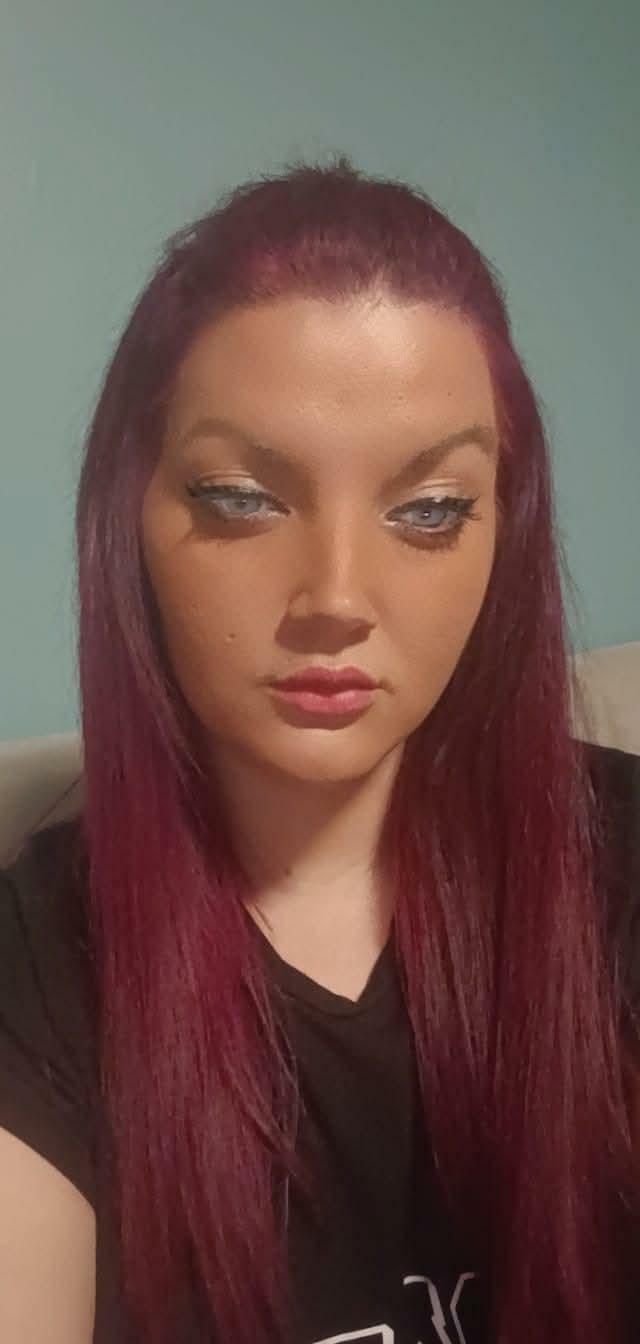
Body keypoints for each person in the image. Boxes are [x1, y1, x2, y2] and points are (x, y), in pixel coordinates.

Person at [0, 152, 639, 1344]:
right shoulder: (33, 973)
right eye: (242, 498)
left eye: (429, 509)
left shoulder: (620, 869)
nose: (337, 596)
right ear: (129, 522)